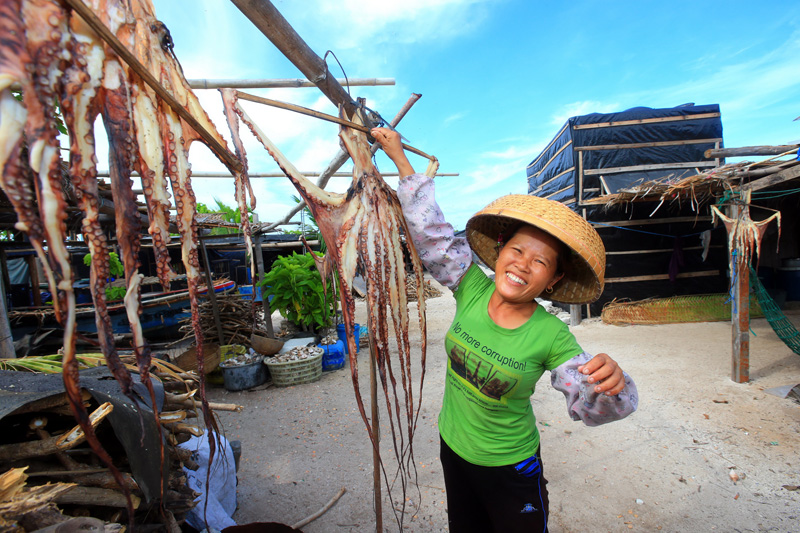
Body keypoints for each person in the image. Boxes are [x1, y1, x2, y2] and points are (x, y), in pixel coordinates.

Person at [370, 127, 639, 533]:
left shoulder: (552, 335)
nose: (522, 265)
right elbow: (431, 234)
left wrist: (612, 386)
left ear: (553, 279)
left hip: (510, 466)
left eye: (541, 262)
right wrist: (399, 159)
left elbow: (593, 405)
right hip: (453, 448)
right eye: (516, 250)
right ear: (499, 252)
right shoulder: (471, 287)